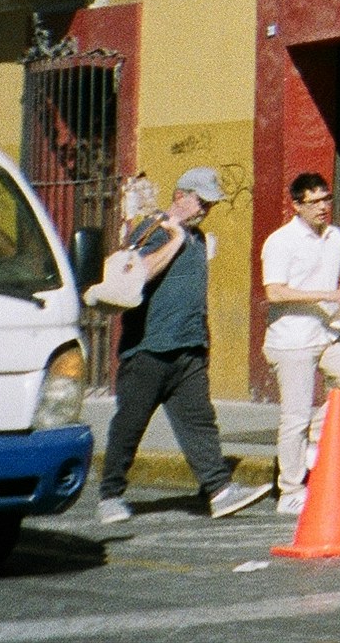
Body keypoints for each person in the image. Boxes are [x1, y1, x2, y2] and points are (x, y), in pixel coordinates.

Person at [95, 167, 271, 523]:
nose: (206, 208)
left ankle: (219, 490)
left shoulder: (200, 238)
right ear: (181, 196)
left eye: (210, 202)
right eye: (201, 201)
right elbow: (137, 273)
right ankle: (109, 496)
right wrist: (174, 240)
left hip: (188, 349)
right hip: (148, 349)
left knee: (200, 422)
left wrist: (203, 343)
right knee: (130, 424)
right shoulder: (154, 230)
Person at [257, 172, 340, 512]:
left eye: (327, 199)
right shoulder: (280, 241)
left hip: (326, 333)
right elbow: (275, 292)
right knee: (293, 416)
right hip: (291, 339)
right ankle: (290, 491)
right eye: (315, 202)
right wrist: (328, 294)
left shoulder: (336, 237)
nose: (323, 207)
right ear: (296, 205)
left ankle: (315, 434)